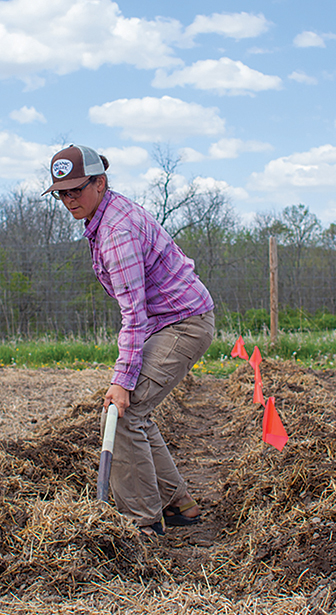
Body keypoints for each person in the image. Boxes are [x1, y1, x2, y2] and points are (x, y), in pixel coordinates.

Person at [44, 145, 216, 537]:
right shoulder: (107, 215)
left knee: (122, 415)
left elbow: (133, 315)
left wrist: (121, 382)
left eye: (76, 190)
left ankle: (141, 523)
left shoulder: (116, 231)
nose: (69, 199)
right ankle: (179, 505)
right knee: (134, 413)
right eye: (62, 193)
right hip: (172, 320)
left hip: (183, 324)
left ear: (100, 182)